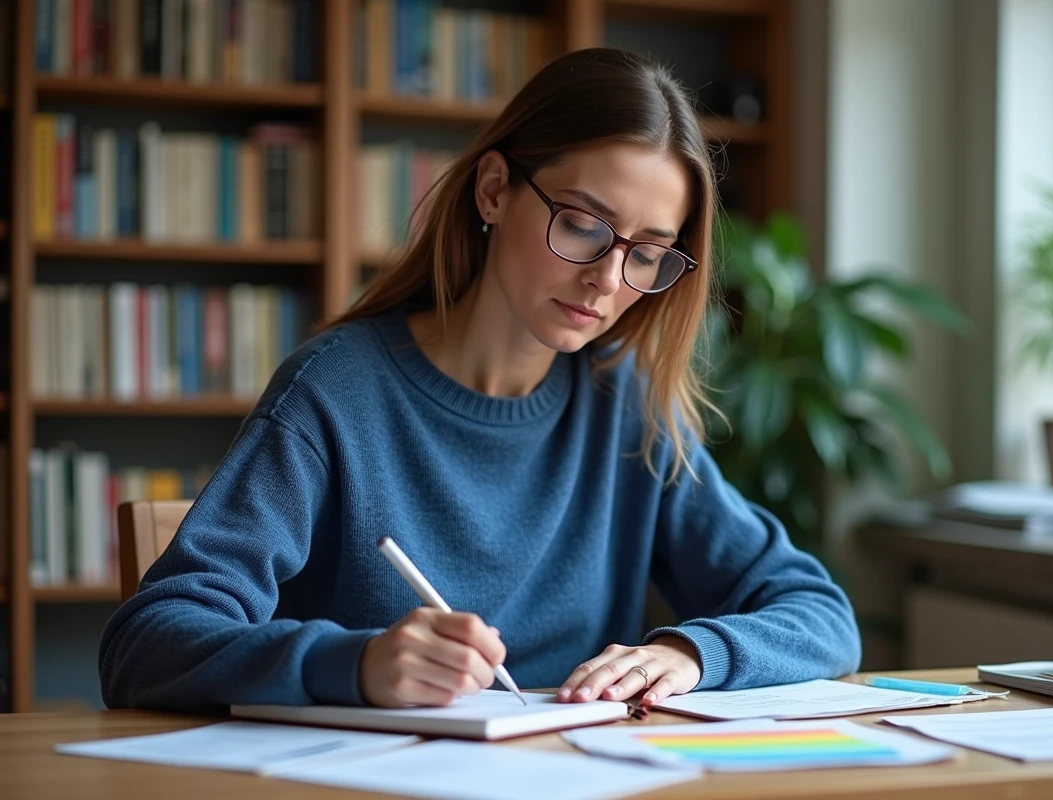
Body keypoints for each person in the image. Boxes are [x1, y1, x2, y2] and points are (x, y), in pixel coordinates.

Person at [98, 48, 861, 713]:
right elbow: (146, 643)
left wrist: (691, 656)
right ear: (494, 190)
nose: (606, 279)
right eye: (585, 226)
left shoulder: (624, 403)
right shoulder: (335, 393)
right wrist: (356, 665)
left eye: (648, 252)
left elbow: (822, 615)